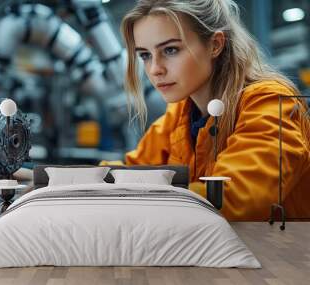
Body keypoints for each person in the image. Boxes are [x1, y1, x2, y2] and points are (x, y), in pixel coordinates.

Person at [107, 0, 310, 221]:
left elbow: (234, 199)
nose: (155, 69)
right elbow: (128, 173)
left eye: (171, 50)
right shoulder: (178, 116)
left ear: (215, 45)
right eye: (145, 55)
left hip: (280, 254)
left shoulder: (269, 103)